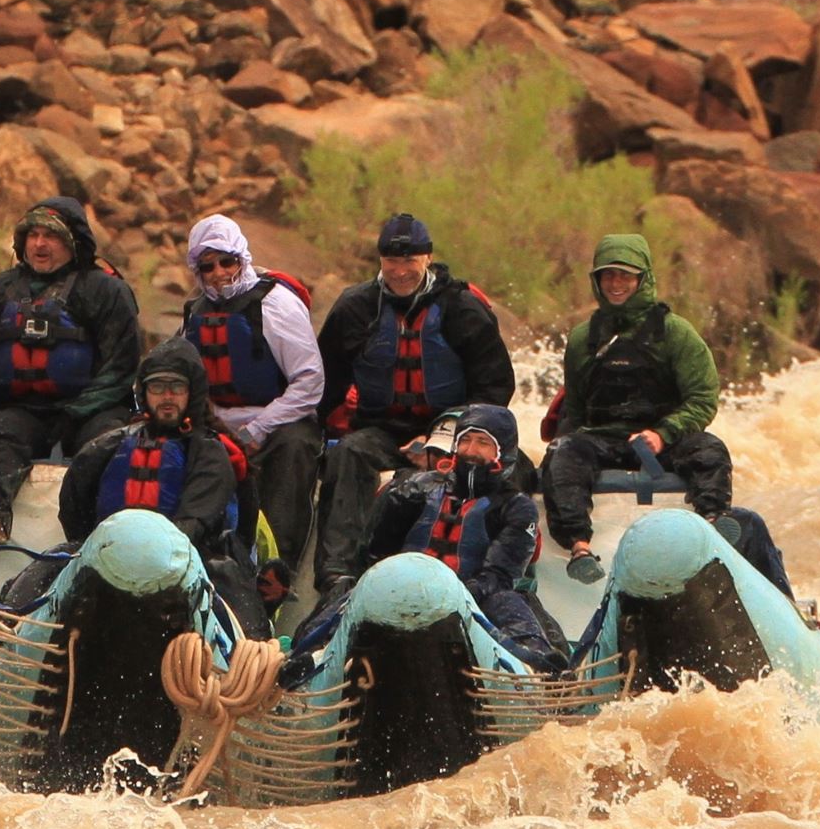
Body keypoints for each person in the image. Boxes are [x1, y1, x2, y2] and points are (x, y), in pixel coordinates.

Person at [312, 213, 515, 604]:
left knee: (507, 470)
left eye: (410, 261)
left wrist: (445, 436)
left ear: (428, 258)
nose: (400, 272)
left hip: (454, 430)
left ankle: (493, 580)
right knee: (349, 455)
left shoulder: (462, 308)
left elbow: (495, 385)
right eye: (392, 262)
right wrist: (315, 432)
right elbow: (327, 383)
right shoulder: (356, 308)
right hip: (383, 429)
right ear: (380, 261)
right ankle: (336, 576)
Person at [48, 336, 271, 636]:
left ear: (191, 393)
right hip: (106, 558)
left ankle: (252, 656)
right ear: (144, 392)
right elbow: (74, 503)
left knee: (227, 574)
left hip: (189, 560)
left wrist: (146, 561)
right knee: (54, 560)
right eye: (157, 388)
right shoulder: (109, 445)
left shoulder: (210, 453)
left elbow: (196, 519)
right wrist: (98, 550)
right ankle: (7, 630)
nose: (167, 397)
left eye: (177, 388)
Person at [544, 233, 733, 584]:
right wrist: (571, 448)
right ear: (597, 281)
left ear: (643, 278)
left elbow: (703, 399)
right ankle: (580, 548)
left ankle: (714, 522)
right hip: (604, 439)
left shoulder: (677, 333)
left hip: (665, 441)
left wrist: (663, 434)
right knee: (562, 453)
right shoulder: (583, 339)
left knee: (710, 450)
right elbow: (576, 407)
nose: (616, 284)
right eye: (608, 275)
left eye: (625, 276)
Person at [0, 197, 142, 547]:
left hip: (92, 409)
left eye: (51, 236)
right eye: (33, 235)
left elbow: (121, 367)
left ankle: (108, 539)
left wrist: (79, 411)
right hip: (22, 409)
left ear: (73, 244)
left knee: (105, 448)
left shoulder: (106, 291)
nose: (39, 244)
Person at [352, 404, 567, 670]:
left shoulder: (517, 507)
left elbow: (499, 576)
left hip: (475, 594)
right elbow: (376, 553)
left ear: (503, 451)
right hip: (401, 588)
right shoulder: (412, 489)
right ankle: (308, 654)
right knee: (346, 590)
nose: (470, 451)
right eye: (464, 440)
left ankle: (537, 667)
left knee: (508, 602)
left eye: (482, 443)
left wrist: (451, 594)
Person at [179, 214, 324, 568]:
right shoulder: (195, 312)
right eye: (207, 266)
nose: (218, 273)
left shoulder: (275, 303)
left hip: (279, 423)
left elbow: (310, 380)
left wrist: (258, 429)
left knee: (294, 450)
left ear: (241, 258)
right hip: (221, 424)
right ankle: (196, 557)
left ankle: (277, 569)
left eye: (226, 262)